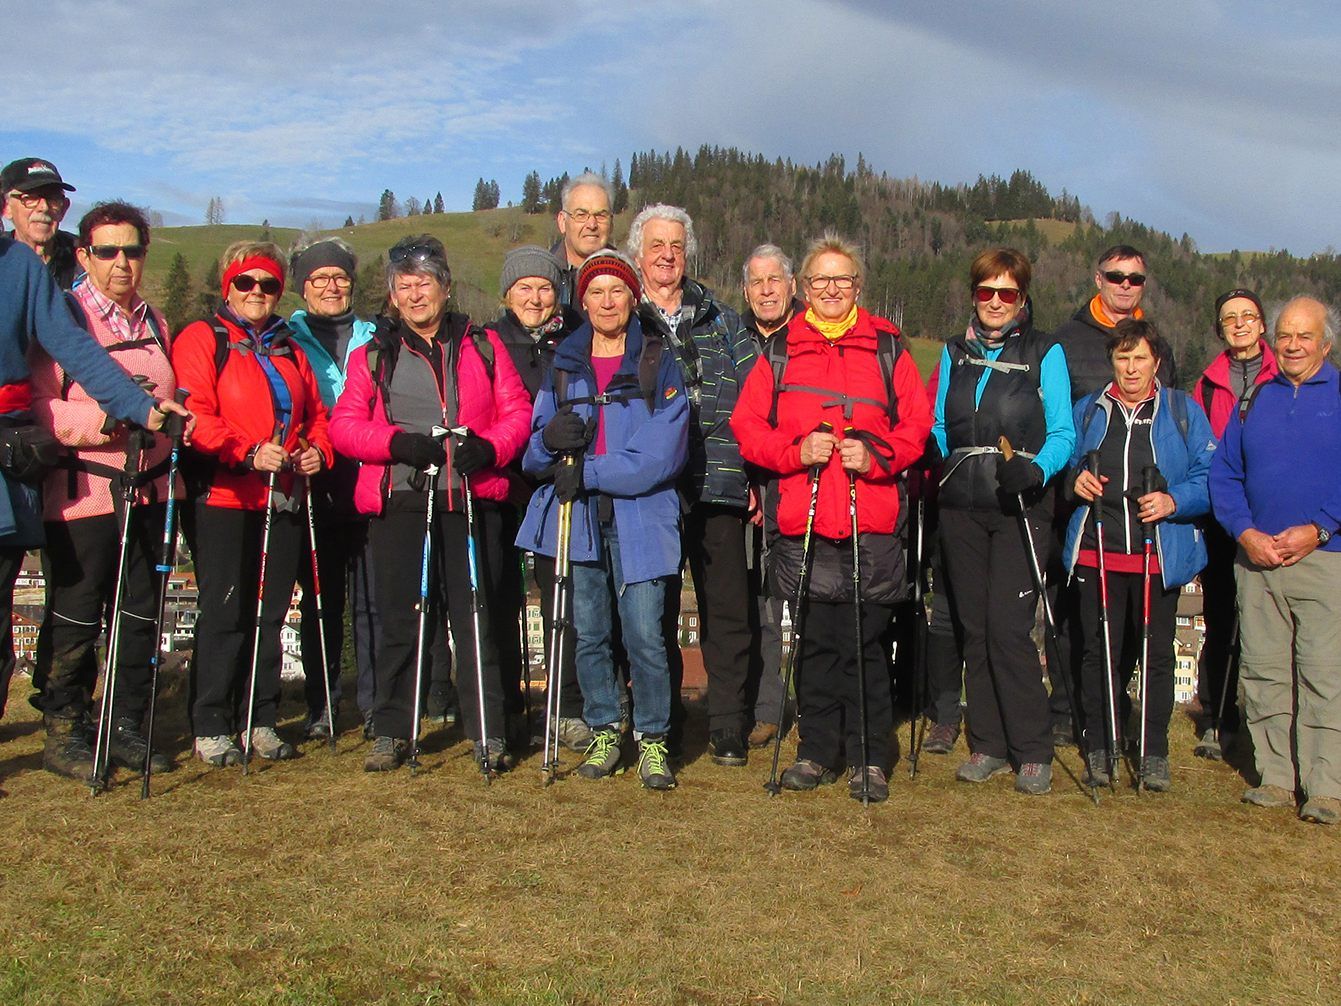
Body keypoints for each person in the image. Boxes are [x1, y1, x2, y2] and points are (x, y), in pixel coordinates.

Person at [732, 233, 932, 804]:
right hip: (804, 517)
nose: (831, 289)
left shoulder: (888, 348)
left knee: (866, 644)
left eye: (842, 280)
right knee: (816, 642)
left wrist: (876, 457)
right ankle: (817, 752)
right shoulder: (780, 350)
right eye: (820, 280)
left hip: (869, 519)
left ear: (858, 287)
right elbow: (749, 428)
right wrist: (796, 453)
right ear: (804, 288)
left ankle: (869, 756)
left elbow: (916, 425)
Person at [330, 235, 530, 774]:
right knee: (401, 617)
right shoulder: (374, 355)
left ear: (445, 287)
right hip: (403, 500)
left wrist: (489, 447)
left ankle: (488, 730)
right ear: (392, 295)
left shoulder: (483, 345)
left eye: (425, 282)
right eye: (404, 285)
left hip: (472, 498)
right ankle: (393, 730)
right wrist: (395, 443)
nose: (415, 294)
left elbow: (518, 413)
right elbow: (344, 427)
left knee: (476, 616)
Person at [0, 230, 186, 743]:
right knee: (76, 611)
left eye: (132, 251)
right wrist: (104, 420)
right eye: (107, 251)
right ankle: (67, 723)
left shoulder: (156, 322)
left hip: (148, 489)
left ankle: (126, 722)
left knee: (139, 610)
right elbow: (37, 407)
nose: (121, 262)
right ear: (84, 255)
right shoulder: (63, 316)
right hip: (82, 492)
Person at [517, 250, 689, 790]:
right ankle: (605, 728)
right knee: (588, 633)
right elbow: (533, 455)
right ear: (583, 300)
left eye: (617, 291)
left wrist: (588, 471)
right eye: (596, 292)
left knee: (644, 634)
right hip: (578, 520)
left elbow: (662, 456)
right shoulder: (564, 365)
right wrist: (548, 441)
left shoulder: (658, 363)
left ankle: (654, 738)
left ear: (632, 298)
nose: (607, 302)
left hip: (641, 519)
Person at [172, 240, 333, 767]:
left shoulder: (290, 348)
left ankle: (260, 716)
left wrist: (315, 453)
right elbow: (196, 413)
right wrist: (245, 450)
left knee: (269, 611)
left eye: (267, 284)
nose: (258, 293)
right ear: (228, 286)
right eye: (247, 283)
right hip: (225, 495)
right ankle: (212, 721)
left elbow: (315, 419)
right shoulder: (204, 339)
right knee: (224, 610)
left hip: (282, 494)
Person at [930, 247, 1074, 795]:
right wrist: (947, 456)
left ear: (1022, 299)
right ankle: (987, 743)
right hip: (961, 507)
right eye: (986, 291)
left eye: (1007, 293)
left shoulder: (1046, 352)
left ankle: (1032, 748)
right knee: (974, 629)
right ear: (974, 295)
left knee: (1009, 630)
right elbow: (942, 422)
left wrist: (1036, 470)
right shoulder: (952, 352)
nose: (995, 302)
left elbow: (1064, 431)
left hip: (1018, 507)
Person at [629, 204, 758, 766]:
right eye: (657, 245)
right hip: (651, 488)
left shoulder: (724, 320)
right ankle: (665, 724)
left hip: (722, 481)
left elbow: (758, 400)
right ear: (639, 254)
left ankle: (729, 725)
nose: (667, 255)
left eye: (676, 246)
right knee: (653, 612)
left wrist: (754, 475)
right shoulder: (624, 320)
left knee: (727, 611)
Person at [1065, 320, 1214, 791]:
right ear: (1112, 361)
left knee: (1155, 658)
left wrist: (1174, 501)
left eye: (1140, 359)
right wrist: (1074, 481)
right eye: (1122, 359)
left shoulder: (1180, 410)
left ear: (1157, 362)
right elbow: (1065, 461)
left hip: (1158, 556)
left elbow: (1210, 475)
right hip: (1098, 554)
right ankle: (1100, 746)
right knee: (1098, 655)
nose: (1130, 369)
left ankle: (1152, 752)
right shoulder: (1089, 410)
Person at [1209, 295, 1341, 825]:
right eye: (1285, 335)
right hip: (1258, 562)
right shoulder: (1253, 401)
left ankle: (1325, 786)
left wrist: (1319, 528)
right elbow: (1224, 476)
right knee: (1264, 672)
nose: (1291, 344)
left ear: (1324, 344)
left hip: (1325, 559)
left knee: (1323, 675)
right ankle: (1276, 778)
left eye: (1303, 336)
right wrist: (1245, 533)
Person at [1046, 244, 1174, 745]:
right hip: (1084, 513)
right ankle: (1067, 711)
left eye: (1135, 278)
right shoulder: (1065, 342)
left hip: (1142, 523)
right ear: (1096, 278)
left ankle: (1113, 715)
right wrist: (1066, 483)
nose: (1125, 284)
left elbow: (1173, 431)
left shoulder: (1156, 343)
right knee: (1075, 624)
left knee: (1131, 636)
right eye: (1116, 275)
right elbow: (1055, 430)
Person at [487, 245, 584, 749]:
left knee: (559, 596)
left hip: (552, 487)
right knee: (499, 598)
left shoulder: (572, 341)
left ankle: (565, 707)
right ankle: (503, 708)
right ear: (507, 294)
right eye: (524, 287)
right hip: (502, 484)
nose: (535, 296)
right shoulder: (487, 344)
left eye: (544, 287)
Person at [286, 237, 377, 740]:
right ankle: (321, 704)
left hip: (366, 480)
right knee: (322, 599)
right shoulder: (287, 337)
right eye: (319, 278)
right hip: (313, 478)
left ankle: (372, 702)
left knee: (371, 601)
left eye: (339, 277)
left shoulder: (374, 335)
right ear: (304, 286)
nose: (331, 286)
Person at [1190, 288, 1277, 759]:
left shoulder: (1284, 373)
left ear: (1263, 324)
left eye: (1248, 316)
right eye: (1230, 318)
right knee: (1222, 616)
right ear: (1220, 329)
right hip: (1224, 516)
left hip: (1275, 514)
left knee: (1270, 622)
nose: (1240, 324)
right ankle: (1218, 718)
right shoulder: (1206, 386)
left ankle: (1270, 722)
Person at [739, 244, 804, 749]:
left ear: (791, 286)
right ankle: (767, 707)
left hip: (800, 487)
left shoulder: (807, 341)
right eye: (757, 282)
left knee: (807, 603)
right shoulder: (733, 340)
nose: (766, 290)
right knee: (761, 608)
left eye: (774, 280)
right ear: (746, 290)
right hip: (748, 489)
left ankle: (812, 702)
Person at [1, 158, 79, 289]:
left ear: (64, 208)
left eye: (53, 198)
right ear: (5, 207)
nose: (44, 207)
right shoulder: (2, 256)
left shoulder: (87, 258)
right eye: (30, 198)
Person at [551, 173, 614, 306]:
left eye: (601, 215)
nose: (592, 225)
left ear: (611, 224)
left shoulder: (628, 280)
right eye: (581, 215)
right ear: (562, 222)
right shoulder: (543, 279)